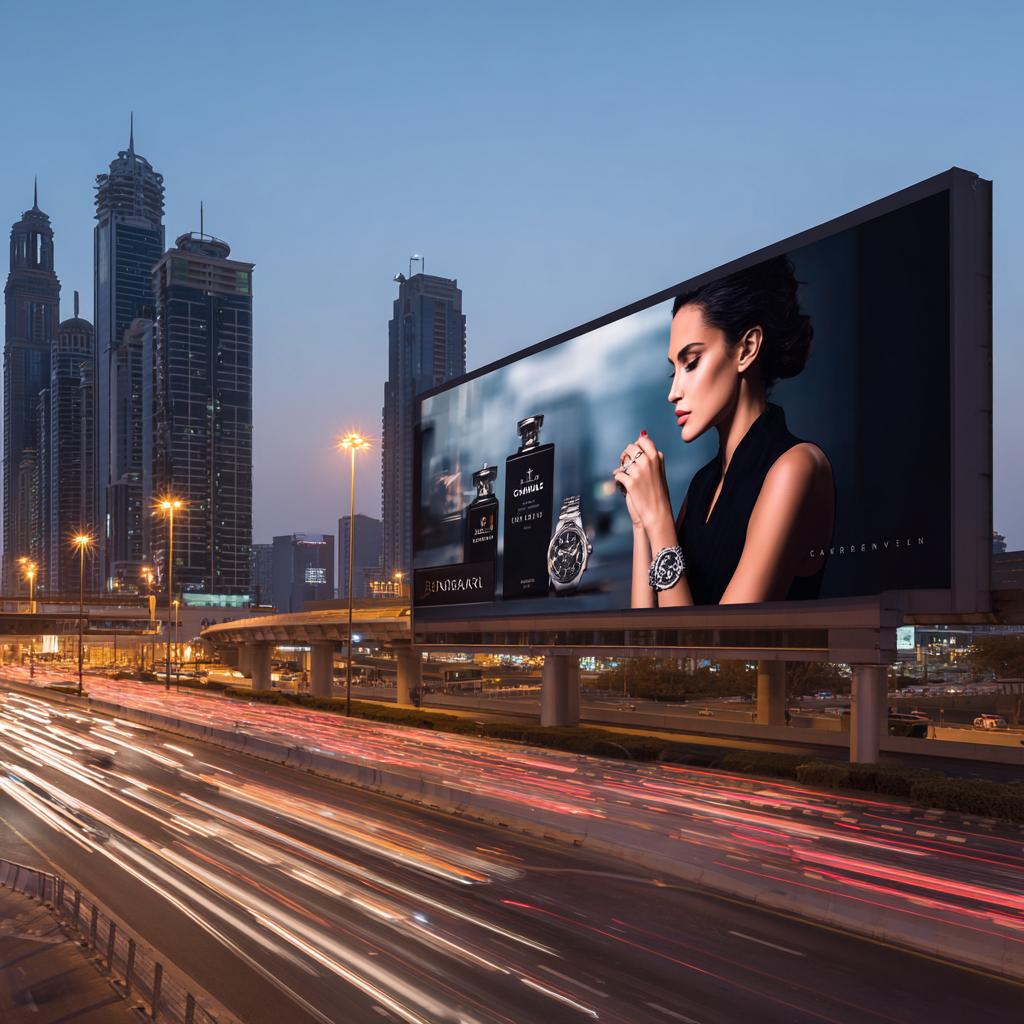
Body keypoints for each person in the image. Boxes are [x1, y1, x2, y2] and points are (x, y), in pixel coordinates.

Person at [615, 256, 834, 607]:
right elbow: (648, 636)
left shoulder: (796, 468)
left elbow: (713, 653)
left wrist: (660, 520)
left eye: (691, 362)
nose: (673, 392)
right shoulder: (701, 487)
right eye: (674, 371)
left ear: (746, 349)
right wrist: (643, 522)